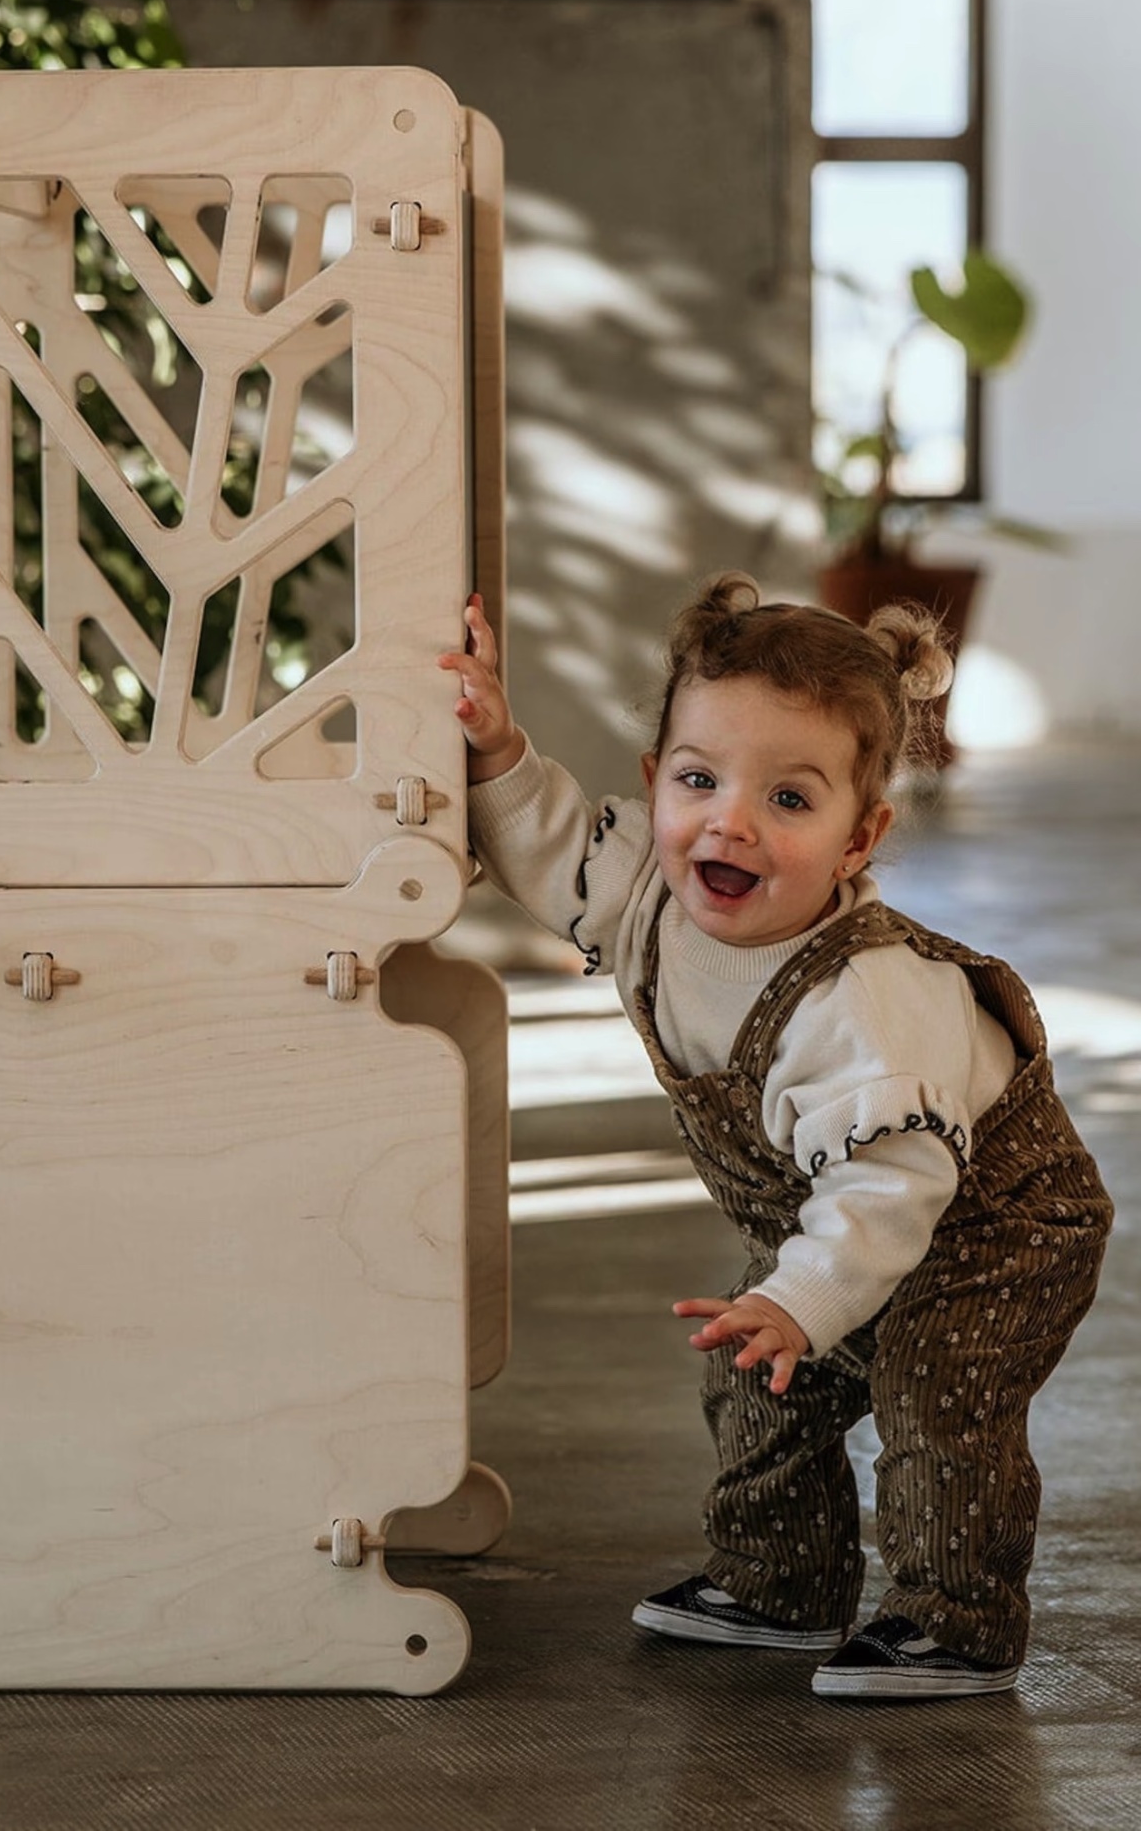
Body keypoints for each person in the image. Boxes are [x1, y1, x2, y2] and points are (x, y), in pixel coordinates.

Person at [438, 573, 1112, 1701]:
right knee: (761, 1381)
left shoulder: (865, 1001)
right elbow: (552, 851)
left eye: (791, 801)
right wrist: (496, 746)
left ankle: (957, 1619)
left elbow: (896, 1180)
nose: (731, 822)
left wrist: (803, 1295)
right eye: (699, 779)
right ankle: (780, 1583)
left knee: (937, 1401)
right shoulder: (649, 894)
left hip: (987, 1226)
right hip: (838, 1214)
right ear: (655, 785)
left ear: (863, 837)